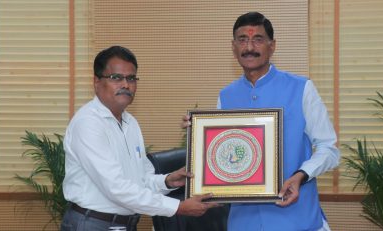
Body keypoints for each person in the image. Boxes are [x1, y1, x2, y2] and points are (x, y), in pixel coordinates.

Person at [183, 12, 340, 231]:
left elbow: (329, 149)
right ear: (233, 47)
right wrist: (198, 138)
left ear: (272, 45)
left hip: (297, 220)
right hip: (243, 223)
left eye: (258, 39)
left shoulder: (301, 88)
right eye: (242, 40)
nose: (249, 47)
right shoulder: (226, 96)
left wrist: (300, 176)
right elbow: (221, 159)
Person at [61, 46, 218, 231]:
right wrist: (177, 207)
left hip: (125, 225)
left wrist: (167, 181)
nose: (126, 85)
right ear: (96, 81)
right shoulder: (88, 123)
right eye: (116, 78)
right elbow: (116, 188)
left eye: (131, 78)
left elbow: (140, 180)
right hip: (93, 224)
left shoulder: (130, 122)